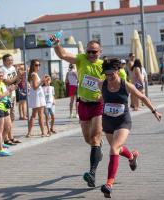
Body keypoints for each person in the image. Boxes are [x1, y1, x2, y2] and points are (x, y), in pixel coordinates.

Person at [98, 58, 162, 198]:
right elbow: (101, 99)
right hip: (108, 121)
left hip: (123, 121)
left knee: (113, 148)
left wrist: (154, 111)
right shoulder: (101, 84)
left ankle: (109, 184)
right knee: (118, 149)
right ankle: (131, 157)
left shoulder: (126, 85)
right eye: (106, 74)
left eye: (111, 73)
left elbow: (142, 97)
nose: (108, 76)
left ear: (117, 71)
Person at [53, 37, 104, 187]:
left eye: (94, 52)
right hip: (83, 104)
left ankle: (92, 174)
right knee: (88, 140)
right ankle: (98, 149)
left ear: (100, 52)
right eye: (89, 51)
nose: (91, 54)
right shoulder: (81, 59)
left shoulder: (104, 65)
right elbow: (63, 55)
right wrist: (57, 44)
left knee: (94, 138)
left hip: (98, 105)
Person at [0, 68, 16, 156]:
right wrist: (9, 91)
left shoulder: (1, 83)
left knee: (8, 126)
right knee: (0, 129)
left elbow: (5, 95)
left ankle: (1, 142)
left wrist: (10, 90)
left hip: (4, 106)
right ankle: (0, 149)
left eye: (1, 75)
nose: (0, 77)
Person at [0, 54, 22, 144]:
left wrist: (20, 76)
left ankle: (10, 136)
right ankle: (5, 138)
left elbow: (16, 81)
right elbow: (7, 81)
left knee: (12, 117)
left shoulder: (13, 68)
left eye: (12, 60)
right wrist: (17, 76)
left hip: (12, 95)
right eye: (9, 60)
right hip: (5, 96)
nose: (11, 61)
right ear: (4, 61)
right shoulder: (2, 70)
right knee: (6, 118)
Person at [25, 59, 48, 137]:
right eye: (36, 65)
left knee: (34, 115)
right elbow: (35, 87)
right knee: (40, 115)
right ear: (32, 66)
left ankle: (29, 132)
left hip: (35, 95)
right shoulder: (34, 74)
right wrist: (42, 80)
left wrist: (42, 81)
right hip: (37, 96)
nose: (38, 66)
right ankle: (43, 132)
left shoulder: (32, 74)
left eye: (39, 65)